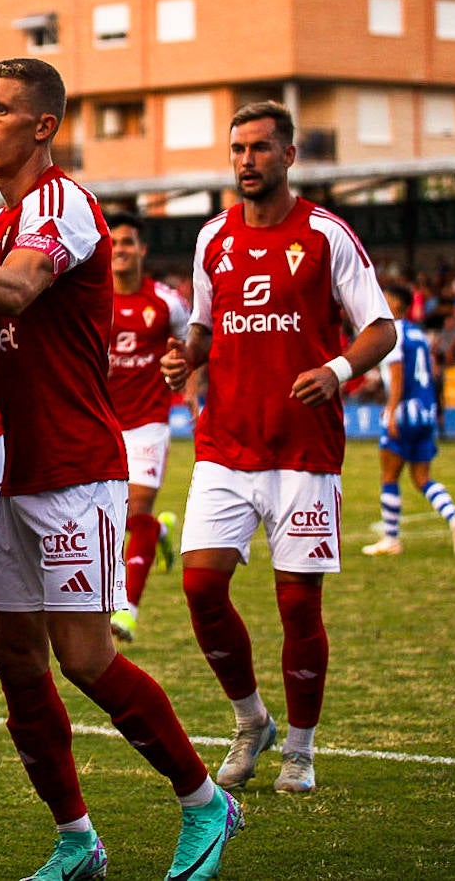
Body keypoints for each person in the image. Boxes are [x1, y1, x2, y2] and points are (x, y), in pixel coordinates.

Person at [0, 57, 242, 881]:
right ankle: (76, 837)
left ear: (44, 124)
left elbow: (17, 293)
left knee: (87, 655)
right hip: (6, 465)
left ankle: (205, 798)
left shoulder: (63, 206)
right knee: (16, 661)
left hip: (73, 465)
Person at [161, 100, 396, 796]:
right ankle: (249, 718)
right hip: (226, 443)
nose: (247, 161)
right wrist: (186, 358)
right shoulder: (212, 239)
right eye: (238, 149)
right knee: (201, 585)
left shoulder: (326, 235)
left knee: (298, 604)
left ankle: (300, 746)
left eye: (261, 148)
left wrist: (337, 370)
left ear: (289, 155)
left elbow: (380, 326)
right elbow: (203, 328)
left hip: (303, 450)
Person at [105, 212, 190, 643]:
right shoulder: (92, 297)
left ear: (142, 250)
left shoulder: (166, 302)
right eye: (114, 243)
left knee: (135, 512)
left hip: (147, 425)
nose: (120, 250)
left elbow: (189, 345)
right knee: (112, 518)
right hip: (101, 421)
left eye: (128, 243)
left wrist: (189, 386)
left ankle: (127, 610)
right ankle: (158, 531)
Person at [362, 282, 455, 557]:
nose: (380, 301)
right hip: (425, 411)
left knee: (389, 475)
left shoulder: (392, 331)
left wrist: (392, 411)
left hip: (404, 411)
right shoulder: (418, 333)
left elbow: (397, 374)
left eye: (385, 297)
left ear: (396, 304)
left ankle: (391, 539)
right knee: (422, 477)